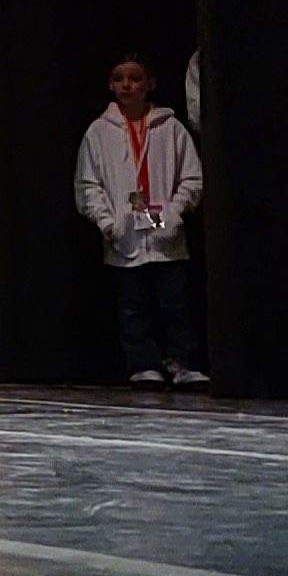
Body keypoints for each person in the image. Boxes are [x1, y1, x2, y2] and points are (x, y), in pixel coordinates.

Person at [72, 53, 209, 387]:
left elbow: (192, 178)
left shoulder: (171, 128)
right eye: (119, 79)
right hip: (126, 230)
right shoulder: (98, 132)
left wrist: (175, 212)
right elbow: (88, 185)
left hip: (162, 223)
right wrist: (108, 222)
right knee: (132, 306)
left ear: (150, 84)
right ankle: (142, 363)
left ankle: (182, 362)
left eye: (134, 78)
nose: (126, 85)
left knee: (174, 302)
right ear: (110, 86)